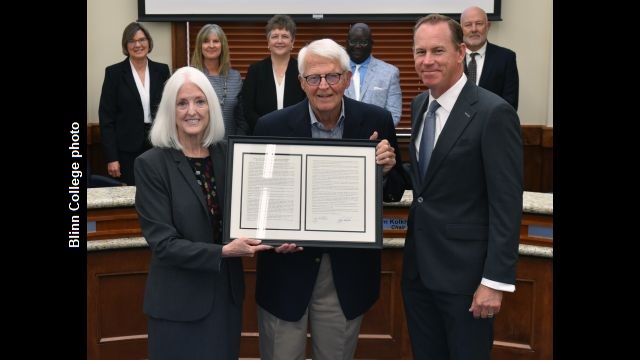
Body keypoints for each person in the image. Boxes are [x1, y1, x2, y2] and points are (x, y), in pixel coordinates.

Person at [253, 38, 405, 360]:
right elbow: (258, 201)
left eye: (332, 76)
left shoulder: (376, 121)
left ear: (347, 79)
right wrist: (269, 235)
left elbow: (395, 191)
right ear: (301, 83)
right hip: (286, 270)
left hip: (345, 274)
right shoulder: (271, 127)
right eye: (313, 78)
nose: (324, 86)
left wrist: (388, 168)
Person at [402, 14, 522, 360]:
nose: (427, 61)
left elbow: (506, 203)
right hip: (419, 275)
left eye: (437, 50)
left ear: (460, 52)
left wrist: (494, 281)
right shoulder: (420, 105)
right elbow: (432, 179)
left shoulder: (492, 112)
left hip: (468, 282)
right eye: (420, 51)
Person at [134, 66, 272, 360]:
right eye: (182, 103)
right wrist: (223, 252)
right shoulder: (150, 164)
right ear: (170, 112)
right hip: (177, 305)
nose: (191, 111)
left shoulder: (230, 156)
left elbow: (257, 211)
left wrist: (278, 235)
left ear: (211, 107)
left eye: (199, 101)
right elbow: (164, 243)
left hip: (225, 301)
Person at [99, 22, 170, 185]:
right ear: (126, 45)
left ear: (149, 42)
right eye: (132, 41)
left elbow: (169, 111)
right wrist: (112, 158)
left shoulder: (162, 70)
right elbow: (106, 118)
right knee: (132, 197)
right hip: (126, 151)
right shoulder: (114, 73)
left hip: (157, 145)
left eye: (142, 39)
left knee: (158, 192)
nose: (138, 44)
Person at [241, 14, 306, 134]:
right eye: (275, 36)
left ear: (292, 42)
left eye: (285, 36)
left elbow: (307, 106)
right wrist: (266, 128)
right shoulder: (255, 70)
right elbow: (247, 109)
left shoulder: (302, 70)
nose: (280, 41)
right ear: (268, 42)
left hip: (296, 136)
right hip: (262, 136)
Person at [192, 24, 249, 136]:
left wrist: (237, 143)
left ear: (222, 45)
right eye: (206, 41)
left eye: (216, 41)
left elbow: (242, 118)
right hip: (198, 145)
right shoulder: (191, 75)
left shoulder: (235, 77)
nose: (211, 45)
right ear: (200, 46)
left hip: (229, 145)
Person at [460, 5, 519, 110]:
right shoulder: (451, 57)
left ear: (488, 26)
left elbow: (510, 102)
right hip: (456, 123)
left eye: (479, 24)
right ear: (461, 29)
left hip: (492, 123)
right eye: (468, 25)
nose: (474, 29)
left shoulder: (506, 58)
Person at [345, 23, 403, 126]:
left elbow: (394, 114)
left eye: (363, 42)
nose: (357, 46)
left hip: (376, 139)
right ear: (347, 43)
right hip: (341, 139)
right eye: (353, 41)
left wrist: (373, 135)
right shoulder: (335, 71)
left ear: (372, 44)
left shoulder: (390, 72)